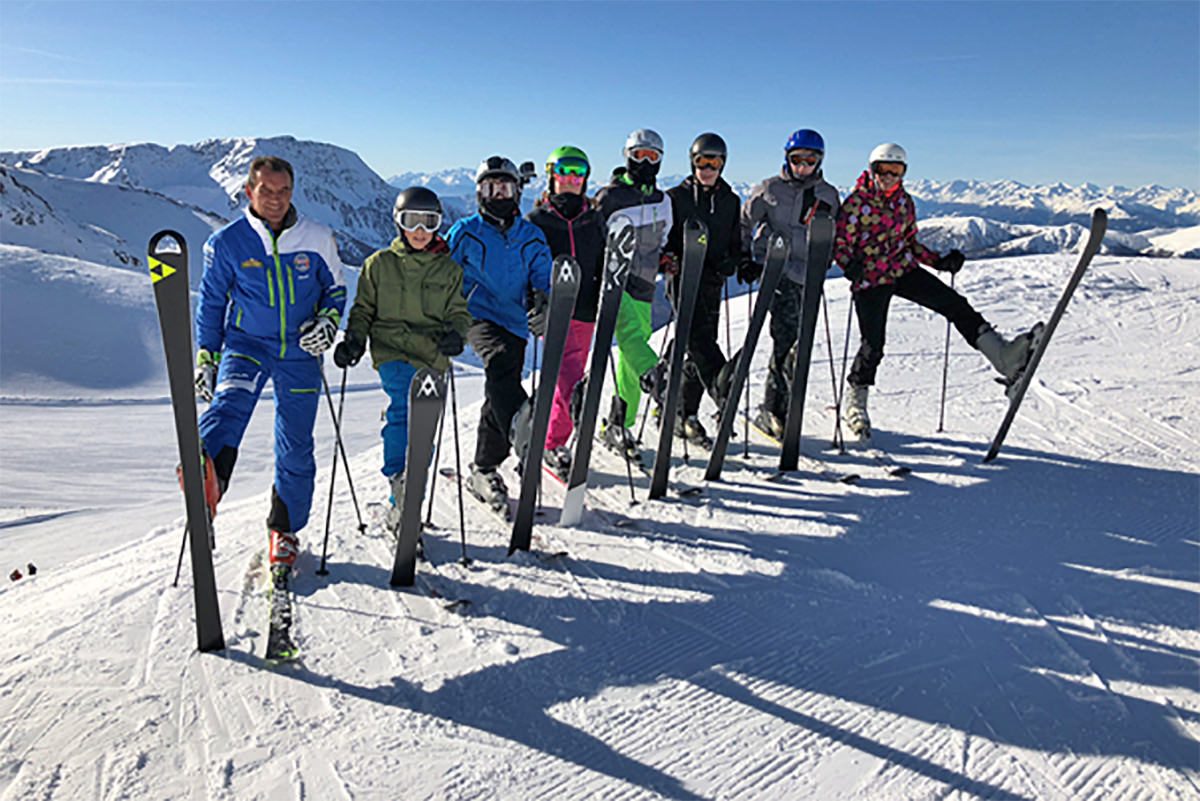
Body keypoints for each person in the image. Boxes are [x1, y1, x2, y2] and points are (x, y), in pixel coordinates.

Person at [193, 155, 347, 573]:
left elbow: (335, 290)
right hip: (247, 343)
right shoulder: (227, 243)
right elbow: (210, 302)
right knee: (229, 405)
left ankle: (284, 530)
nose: (276, 200)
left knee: (295, 443)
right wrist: (208, 354)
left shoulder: (317, 238)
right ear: (249, 191)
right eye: (266, 191)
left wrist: (329, 321)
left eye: (283, 192)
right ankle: (206, 475)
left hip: (299, 350)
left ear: (292, 192)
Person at [835, 142, 1042, 439]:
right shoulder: (856, 203)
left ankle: (1004, 358)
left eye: (896, 171)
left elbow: (910, 243)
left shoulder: (904, 202)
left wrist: (939, 262)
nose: (890, 177)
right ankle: (856, 402)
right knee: (874, 343)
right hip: (870, 277)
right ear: (873, 170)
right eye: (884, 170)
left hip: (902, 269)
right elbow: (840, 243)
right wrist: (848, 265)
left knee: (955, 305)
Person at [333, 187, 470, 529]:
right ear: (398, 223)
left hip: (431, 355)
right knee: (402, 406)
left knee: (424, 426)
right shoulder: (379, 265)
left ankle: (412, 495)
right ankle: (399, 480)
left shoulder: (449, 270)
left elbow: (459, 312)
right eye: (412, 222)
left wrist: (457, 333)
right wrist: (353, 341)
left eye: (429, 222)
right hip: (391, 350)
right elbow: (363, 310)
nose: (421, 231)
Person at [447, 156, 553, 510]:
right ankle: (522, 427)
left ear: (517, 190)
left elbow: (542, 278)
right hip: (476, 315)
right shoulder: (465, 231)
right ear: (479, 193)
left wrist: (542, 304)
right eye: (490, 188)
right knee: (500, 363)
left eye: (504, 187)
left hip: (516, 322)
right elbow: (442, 269)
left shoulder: (530, 236)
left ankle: (483, 467)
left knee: (498, 389)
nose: (498, 194)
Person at [741, 129, 840, 438]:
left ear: (819, 161)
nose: (803, 167)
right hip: (776, 270)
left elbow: (833, 233)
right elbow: (745, 221)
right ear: (787, 158)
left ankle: (778, 406)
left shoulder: (827, 195)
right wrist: (746, 258)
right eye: (797, 160)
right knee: (785, 338)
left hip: (806, 275)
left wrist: (826, 259)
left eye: (810, 161)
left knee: (799, 342)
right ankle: (773, 410)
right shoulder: (769, 189)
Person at [526, 146, 607, 480]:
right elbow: (527, 264)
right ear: (552, 175)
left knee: (572, 378)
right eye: (565, 171)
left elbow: (604, 259)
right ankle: (551, 442)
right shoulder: (537, 221)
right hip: (554, 310)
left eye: (579, 172)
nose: (572, 179)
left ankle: (548, 435)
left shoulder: (594, 218)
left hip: (587, 309)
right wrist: (534, 304)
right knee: (569, 380)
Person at [594, 128, 673, 464]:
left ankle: (618, 424)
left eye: (651, 157)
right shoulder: (609, 198)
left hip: (644, 285)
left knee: (630, 355)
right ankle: (660, 378)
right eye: (638, 155)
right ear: (626, 156)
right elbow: (592, 237)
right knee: (629, 336)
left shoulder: (663, 201)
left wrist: (667, 259)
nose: (644, 162)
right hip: (613, 284)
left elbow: (665, 239)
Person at [662, 132, 746, 448]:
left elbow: (736, 243)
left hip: (712, 282)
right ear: (692, 162)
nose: (708, 168)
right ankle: (720, 382)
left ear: (722, 165)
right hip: (682, 279)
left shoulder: (730, 200)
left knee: (696, 347)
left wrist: (732, 262)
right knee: (696, 337)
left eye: (714, 162)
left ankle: (684, 415)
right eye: (702, 162)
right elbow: (664, 241)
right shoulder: (675, 198)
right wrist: (670, 259)